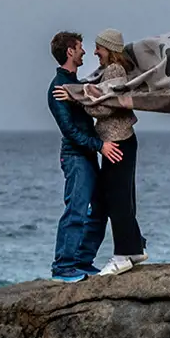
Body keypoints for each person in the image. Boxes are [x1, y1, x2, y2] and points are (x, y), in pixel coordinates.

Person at [47, 31, 114, 282]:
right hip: (76, 156)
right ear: (70, 52)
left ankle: (83, 261)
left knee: (99, 209)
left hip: (87, 155)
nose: (85, 51)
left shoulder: (76, 85)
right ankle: (63, 266)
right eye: (80, 48)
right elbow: (69, 130)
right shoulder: (58, 88)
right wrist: (99, 145)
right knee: (76, 210)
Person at [81, 28, 147, 275]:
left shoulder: (114, 71)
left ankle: (122, 255)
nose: (96, 52)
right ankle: (135, 248)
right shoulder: (113, 71)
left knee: (116, 198)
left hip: (118, 142)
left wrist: (79, 103)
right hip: (122, 140)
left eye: (99, 47)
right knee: (123, 195)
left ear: (109, 48)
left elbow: (106, 106)